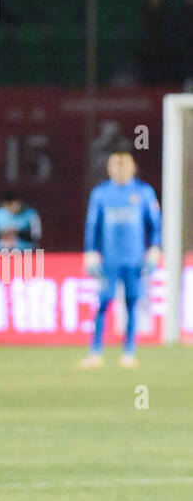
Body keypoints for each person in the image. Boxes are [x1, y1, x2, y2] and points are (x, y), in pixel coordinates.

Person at [79, 149, 161, 369]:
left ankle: (129, 351)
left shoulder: (143, 192)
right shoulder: (101, 194)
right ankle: (95, 351)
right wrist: (90, 252)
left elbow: (155, 225)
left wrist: (154, 249)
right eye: (116, 164)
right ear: (109, 168)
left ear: (133, 167)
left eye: (124, 164)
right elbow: (92, 226)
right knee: (103, 303)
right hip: (109, 260)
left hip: (135, 260)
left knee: (132, 303)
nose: (120, 169)